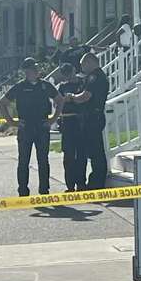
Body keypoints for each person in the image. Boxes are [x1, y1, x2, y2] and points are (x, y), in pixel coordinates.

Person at [0, 57, 62, 196]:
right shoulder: (20, 87)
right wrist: (12, 122)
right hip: (25, 126)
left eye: (36, 68)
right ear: (26, 71)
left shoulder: (45, 85)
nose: (36, 71)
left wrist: (53, 118)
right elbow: (1, 103)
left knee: (43, 160)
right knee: (23, 160)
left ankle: (44, 190)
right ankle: (23, 191)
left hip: (42, 125)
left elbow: (59, 100)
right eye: (33, 69)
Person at [68, 52, 110, 190]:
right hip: (91, 117)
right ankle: (94, 181)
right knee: (92, 151)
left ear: (89, 62)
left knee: (95, 152)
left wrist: (72, 97)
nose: (82, 68)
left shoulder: (95, 77)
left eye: (82, 65)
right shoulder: (96, 76)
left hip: (93, 118)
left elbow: (85, 96)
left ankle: (97, 183)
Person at [55, 63, 87, 192]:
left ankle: (81, 183)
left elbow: (85, 98)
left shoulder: (83, 83)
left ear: (74, 70)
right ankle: (70, 185)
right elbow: (57, 102)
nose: (68, 75)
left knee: (81, 154)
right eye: (65, 73)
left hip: (80, 121)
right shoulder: (62, 87)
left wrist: (73, 98)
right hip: (67, 121)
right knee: (68, 155)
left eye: (69, 71)